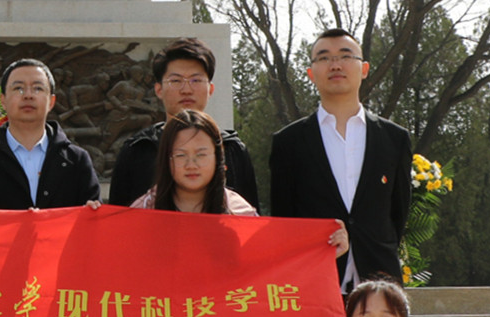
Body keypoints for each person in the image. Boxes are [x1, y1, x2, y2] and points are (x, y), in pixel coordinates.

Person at [268, 29, 411, 291]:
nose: (335, 65)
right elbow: (283, 219)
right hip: (314, 283)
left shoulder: (394, 139)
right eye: (323, 58)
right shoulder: (289, 142)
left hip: (380, 282)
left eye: (345, 56)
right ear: (311, 73)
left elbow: (397, 213)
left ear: (364, 68)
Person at [108, 37, 261, 210]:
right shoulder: (138, 149)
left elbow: (249, 225)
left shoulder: (232, 149)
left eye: (196, 80)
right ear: (158, 90)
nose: (186, 89)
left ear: (210, 89)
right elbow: (117, 221)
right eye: (176, 81)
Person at [0, 58, 101, 209]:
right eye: (19, 89)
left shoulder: (76, 160)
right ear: (3, 100)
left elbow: (92, 220)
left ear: (51, 101)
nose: (28, 95)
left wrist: (91, 210)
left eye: (37, 89)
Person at [126, 109, 256, 216]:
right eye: (181, 155)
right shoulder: (141, 213)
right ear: (166, 159)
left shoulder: (241, 214)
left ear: (217, 157)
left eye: (201, 155)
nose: (191, 165)